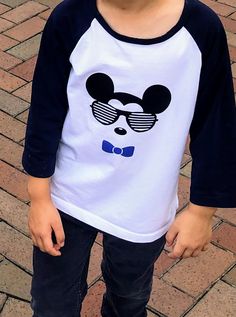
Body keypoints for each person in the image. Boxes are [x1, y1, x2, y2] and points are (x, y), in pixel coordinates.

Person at [22, 0, 236, 316]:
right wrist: (38, 196)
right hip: (66, 195)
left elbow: (215, 123)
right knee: (52, 300)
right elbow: (45, 108)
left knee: (129, 297)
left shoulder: (200, 29)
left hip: (143, 204)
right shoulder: (70, 17)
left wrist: (202, 212)